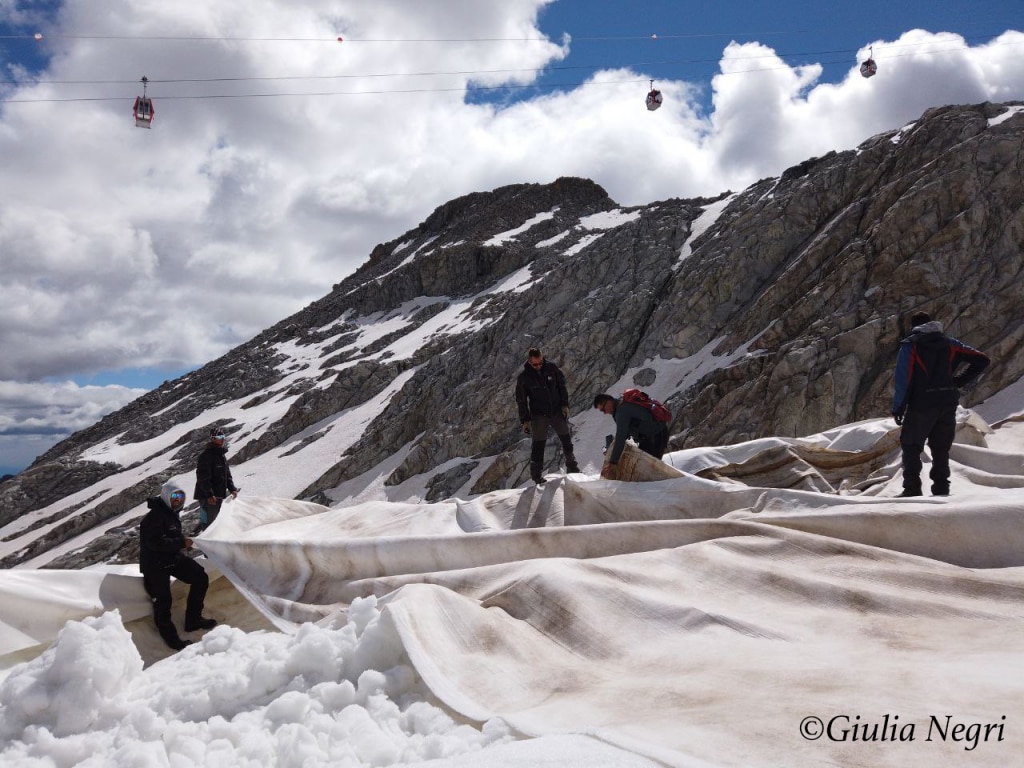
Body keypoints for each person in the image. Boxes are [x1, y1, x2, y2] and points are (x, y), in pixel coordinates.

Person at [891, 312, 990, 497]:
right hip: (947, 402)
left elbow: (903, 379)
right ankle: (941, 488)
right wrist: (958, 381)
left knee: (911, 445)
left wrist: (898, 407)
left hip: (921, 404)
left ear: (914, 326)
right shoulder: (951, 344)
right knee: (940, 446)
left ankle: (912, 488)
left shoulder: (911, 345)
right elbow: (982, 359)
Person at [139, 480, 217, 650]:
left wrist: (181, 545)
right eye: (175, 496)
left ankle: (193, 620)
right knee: (163, 601)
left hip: (171, 558)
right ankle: (172, 639)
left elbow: (169, 540)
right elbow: (155, 544)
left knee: (200, 577)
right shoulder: (154, 517)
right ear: (167, 496)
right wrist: (182, 543)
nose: (178, 500)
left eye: (181, 496)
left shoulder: (171, 512)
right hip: (154, 564)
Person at [515, 348, 580, 483]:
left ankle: (573, 468)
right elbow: (521, 400)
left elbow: (562, 386)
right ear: (529, 361)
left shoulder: (551, 367)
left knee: (566, 439)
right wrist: (525, 421)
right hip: (539, 415)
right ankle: (536, 476)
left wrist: (564, 404)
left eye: (540, 363)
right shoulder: (524, 378)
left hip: (556, 410)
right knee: (538, 445)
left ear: (543, 358)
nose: (539, 366)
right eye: (535, 364)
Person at [593, 393, 670, 479]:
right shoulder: (621, 405)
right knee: (645, 469)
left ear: (608, 402)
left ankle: (672, 486)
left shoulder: (621, 411)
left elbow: (621, 437)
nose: (605, 412)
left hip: (655, 435)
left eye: (603, 409)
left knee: (650, 470)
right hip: (653, 435)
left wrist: (613, 462)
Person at [194, 428, 239, 531]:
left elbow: (227, 474)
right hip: (208, 497)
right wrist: (209, 494)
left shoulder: (221, 455)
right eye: (219, 437)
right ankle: (202, 543)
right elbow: (202, 477)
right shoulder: (206, 456)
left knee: (215, 522)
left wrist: (232, 488)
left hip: (218, 495)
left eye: (223, 437)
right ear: (213, 439)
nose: (222, 439)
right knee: (209, 523)